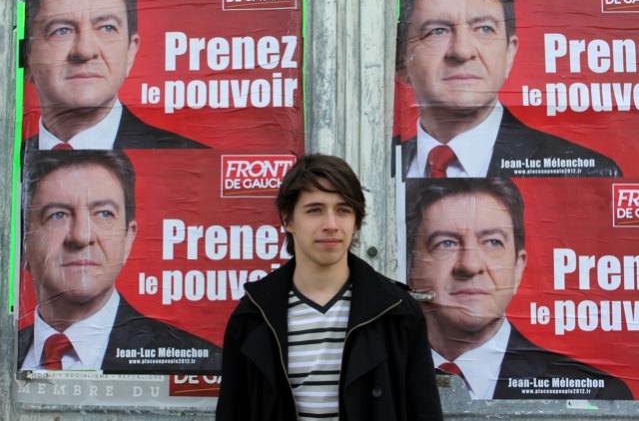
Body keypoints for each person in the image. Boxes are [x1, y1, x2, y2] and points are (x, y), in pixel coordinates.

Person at [217, 154, 443, 421]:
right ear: (288, 220)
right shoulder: (252, 316)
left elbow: (424, 411)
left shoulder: (398, 313)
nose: (331, 225)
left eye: (343, 210)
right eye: (315, 210)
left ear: (356, 221)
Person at [405, 178, 632, 399]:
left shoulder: (599, 395)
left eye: (493, 242)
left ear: (518, 268)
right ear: (410, 266)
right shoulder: (386, 377)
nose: (470, 266)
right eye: (446, 243)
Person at [19, 150, 221, 373]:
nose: (81, 236)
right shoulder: (8, 349)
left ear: (128, 239)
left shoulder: (200, 365)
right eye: (58, 215)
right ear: (24, 242)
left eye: (104, 214)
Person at [397, 0, 620, 178]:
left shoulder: (591, 173)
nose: (462, 51)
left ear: (509, 54)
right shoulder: (384, 161)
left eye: (484, 29)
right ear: (402, 60)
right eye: (437, 31)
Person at [23, 0, 206, 150]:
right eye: (62, 31)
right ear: (28, 57)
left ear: (130, 52)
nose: (85, 51)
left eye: (107, 28)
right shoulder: (15, 155)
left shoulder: (192, 157)